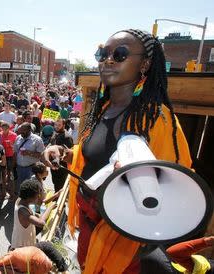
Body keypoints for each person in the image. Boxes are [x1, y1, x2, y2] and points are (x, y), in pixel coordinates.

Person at [62, 29, 192, 273]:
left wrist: (130, 182)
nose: (107, 60)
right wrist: (69, 153)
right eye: (103, 53)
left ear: (144, 64)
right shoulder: (102, 109)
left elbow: (177, 183)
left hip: (125, 241)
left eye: (119, 54)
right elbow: (96, 152)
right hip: (89, 224)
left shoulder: (158, 119)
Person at [10, 179, 55, 249]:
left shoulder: (21, 199)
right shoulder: (23, 212)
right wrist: (50, 207)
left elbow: (33, 212)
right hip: (22, 245)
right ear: (29, 198)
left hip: (22, 236)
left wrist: (37, 215)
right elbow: (41, 223)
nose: (39, 197)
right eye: (37, 196)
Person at [13, 122, 45, 195]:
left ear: (29, 130)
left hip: (32, 169)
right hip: (20, 168)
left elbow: (41, 155)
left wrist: (29, 153)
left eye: (23, 131)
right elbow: (15, 152)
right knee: (21, 187)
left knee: (32, 188)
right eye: (20, 131)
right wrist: (13, 165)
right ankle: (21, 203)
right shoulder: (18, 138)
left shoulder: (37, 139)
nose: (21, 133)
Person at [44, 118, 74, 192]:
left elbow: (68, 152)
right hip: (53, 164)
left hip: (62, 166)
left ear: (64, 125)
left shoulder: (67, 137)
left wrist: (59, 156)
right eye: (56, 125)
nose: (57, 126)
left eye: (59, 125)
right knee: (55, 182)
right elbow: (52, 142)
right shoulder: (55, 133)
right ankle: (56, 197)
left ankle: (59, 201)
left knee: (60, 185)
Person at [0, 121, 17, 200]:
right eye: (3, 129)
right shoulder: (0, 135)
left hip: (10, 157)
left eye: (6, 129)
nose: (4, 131)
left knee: (10, 176)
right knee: (2, 176)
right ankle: (3, 194)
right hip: (2, 157)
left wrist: (11, 145)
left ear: (9, 128)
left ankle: (12, 194)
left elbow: (16, 148)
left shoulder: (14, 135)